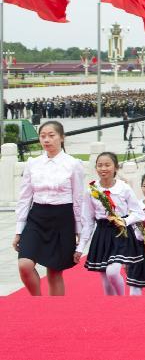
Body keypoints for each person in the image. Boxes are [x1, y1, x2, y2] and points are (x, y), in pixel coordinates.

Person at [14, 121, 84, 296]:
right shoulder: (32, 163)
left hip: (63, 218)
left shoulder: (73, 164)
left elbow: (78, 200)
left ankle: (54, 313)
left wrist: (79, 231)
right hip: (37, 217)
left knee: (54, 271)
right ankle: (37, 303)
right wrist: (18, 230)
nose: (46, 140)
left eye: (51, 135)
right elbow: (24, 198)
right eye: (42, 136)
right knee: (25, 265)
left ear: (62, 137)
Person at [75, 152, 144, 296]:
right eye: (100, 165)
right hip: (102, 234)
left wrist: (124, 221)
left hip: (121, 233)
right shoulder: (91, 191)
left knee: (112, 272)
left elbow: (138, 213)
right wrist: (80, 247)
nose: (103, 168)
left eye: (107, 165)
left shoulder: (124, 188)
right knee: (106, 280)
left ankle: (122, 300)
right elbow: (88, 221)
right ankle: (112, 310)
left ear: (116, 168)